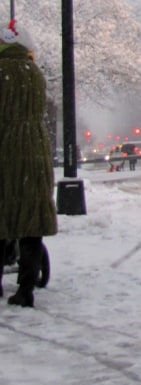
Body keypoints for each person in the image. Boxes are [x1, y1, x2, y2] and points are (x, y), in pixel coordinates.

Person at [0, 19, 57, 308]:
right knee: (30, 222)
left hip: (7, 151)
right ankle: (26, 289)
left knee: (3, 215)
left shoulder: (1, 72)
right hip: (36, 151)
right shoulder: (35, 74)